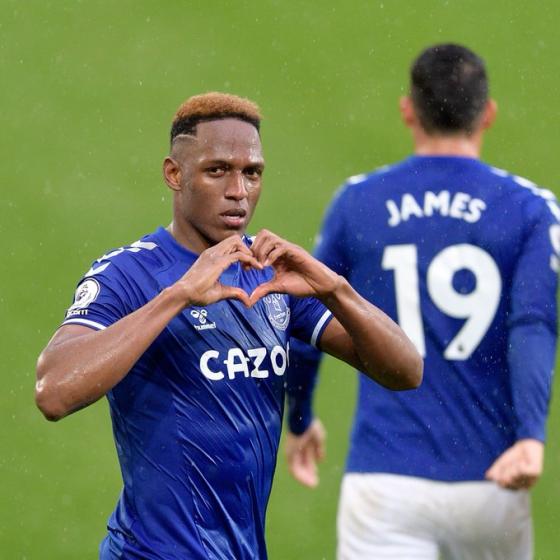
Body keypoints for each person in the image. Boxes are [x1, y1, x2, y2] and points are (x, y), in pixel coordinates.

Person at [34, 92, 422, 559]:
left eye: (252, 173)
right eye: (217, 170)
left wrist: (335, 289)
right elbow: (54, 392)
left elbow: (405, 372)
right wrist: (177, 295)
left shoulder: (270, 272)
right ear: (174, 175)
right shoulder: (129, 274)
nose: (239, 190)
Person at [285, 44, 560, 559]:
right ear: (489, 113)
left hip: (386, 479)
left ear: (408, 109)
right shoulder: (530, 209)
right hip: (492, 478)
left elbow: (307, 318)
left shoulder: (358, 202)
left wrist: (300, 416)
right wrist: (530, 437)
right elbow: (533, 323)